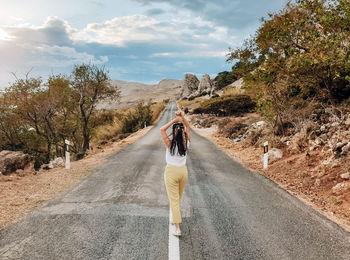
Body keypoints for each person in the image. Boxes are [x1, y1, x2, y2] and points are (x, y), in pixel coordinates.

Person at [160, 110, 190, 236]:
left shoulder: (170, 143)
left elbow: (162, 129)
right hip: (183, 171)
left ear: (173, 132)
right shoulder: (186, 143)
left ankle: (177, 228)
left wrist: (174, 121)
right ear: (183, 132)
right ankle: (175, 219)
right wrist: (182, 118)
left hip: (171, 171)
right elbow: (188, 126)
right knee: (177, 198)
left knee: (174, 200)